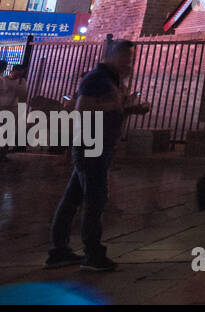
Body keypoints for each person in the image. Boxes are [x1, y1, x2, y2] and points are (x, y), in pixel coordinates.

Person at [46, 40, 150, 271]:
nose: (130, 62)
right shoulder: (96, 79)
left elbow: (111, 109)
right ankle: (92, 254)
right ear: (112, 55)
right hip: (91, 146)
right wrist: (113, 106)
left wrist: (131, 108)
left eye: (131, 58)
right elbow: (82, 108)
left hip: (99, 146)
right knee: (95, 200)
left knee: (73, 199)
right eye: (126, 57)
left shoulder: (112, 81)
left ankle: (58, 251)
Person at [0, 63, 29, 160]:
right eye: (20, 72)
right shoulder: (4, 80)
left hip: (13, 109)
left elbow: (23, 96)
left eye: (23, 72)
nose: (21, 74)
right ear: (14, 70)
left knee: (9, 132)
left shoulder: (22, 81)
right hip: (2, 108)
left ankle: (3, 154)